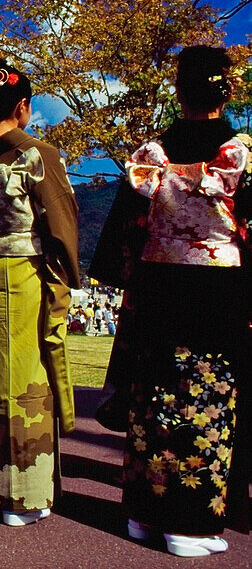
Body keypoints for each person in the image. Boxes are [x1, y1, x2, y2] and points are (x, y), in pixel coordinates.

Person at [91, 45, 249, 557]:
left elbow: (123, 234)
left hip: (157, 287)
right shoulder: (241, 154)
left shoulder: (150, 156)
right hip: (218, 292)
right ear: (229, 89)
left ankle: (141, 511)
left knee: (150, 396)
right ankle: (188, 523)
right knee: (204, 401)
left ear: (177, 89)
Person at [0, 59, 80, 526]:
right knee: (25, 380)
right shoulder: (38, 154)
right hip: (23, 276)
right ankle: (21, 495)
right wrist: (68, 274)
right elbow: (62, 224)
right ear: (24, 107)